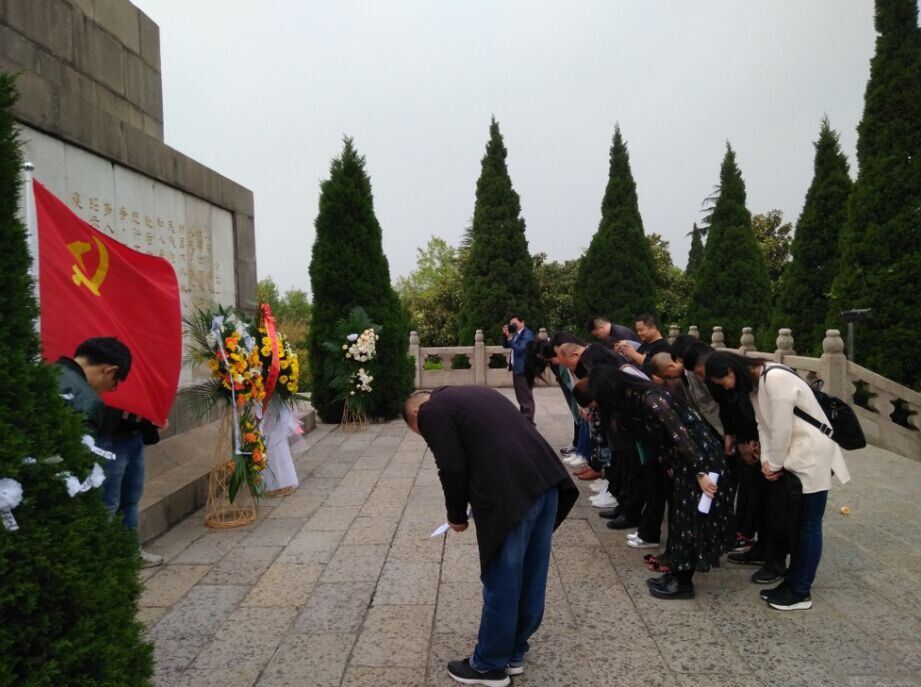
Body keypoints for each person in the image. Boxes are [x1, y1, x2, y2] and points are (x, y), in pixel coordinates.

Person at [403, 387, 578, 686]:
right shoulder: (475, 395)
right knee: (531, 576)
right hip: (547, 484)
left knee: (503, 581)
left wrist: (456, 515)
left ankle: (489, 665)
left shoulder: (431, 410)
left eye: (422, 433)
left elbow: (451, 466)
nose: (428, 437)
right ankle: (514, 653)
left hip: (512, 497)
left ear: (417, 414)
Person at [706, 351, 850, 611]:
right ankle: (793, 581)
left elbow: (782, 428)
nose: (725, 387)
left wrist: (773, 463)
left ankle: (801, 591)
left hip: (811, 455)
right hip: (794, 456)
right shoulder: (755, 385)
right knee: (796, 523)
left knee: (809, 525)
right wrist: (767, 461)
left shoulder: (775, 379)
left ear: (732, 369)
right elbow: (763, 425)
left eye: (723, 380)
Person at [589, 365, 733, 599]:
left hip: (700, 459)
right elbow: (660, 439)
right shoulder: (637, 402)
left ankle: (683, 582)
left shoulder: (652, 399)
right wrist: (669, 464)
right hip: (684, 461)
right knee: (679, 515)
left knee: (690, 518)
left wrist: (700, 473)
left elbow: (680, 435)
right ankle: (676, 572)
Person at [99, 408, 164, 567]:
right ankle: (104, 560)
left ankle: (131, 552)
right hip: (110, 441)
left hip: (134, 437)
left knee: (131, 500)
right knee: (109, 503)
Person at [54, 337, 132, 439]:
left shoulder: (41, 371)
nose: (111, 389)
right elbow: (79, 448)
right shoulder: (88, 401)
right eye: (115, 384)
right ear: (111, 371)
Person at [502, 314, 536, 424]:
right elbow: (506, 345)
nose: (513, 326)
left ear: (522, 322)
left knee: (525, 397)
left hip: (524, 369)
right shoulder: (516, 334)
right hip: (517, 368)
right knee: (521, 396)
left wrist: (510, 339)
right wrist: (505, 335)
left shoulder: (527, 334)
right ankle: (524, 420)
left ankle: (528, 422)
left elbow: (520, 349)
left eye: (515, 324)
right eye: (511, 324)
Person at [614, 312, 671, 376]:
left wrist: (634, 354)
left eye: (641, 330)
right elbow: (635, 361)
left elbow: (655, 367)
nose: (639, 333)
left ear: (653, 328)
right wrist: (625, 350)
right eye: (637, 331)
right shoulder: (644, 345)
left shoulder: (663, 346)